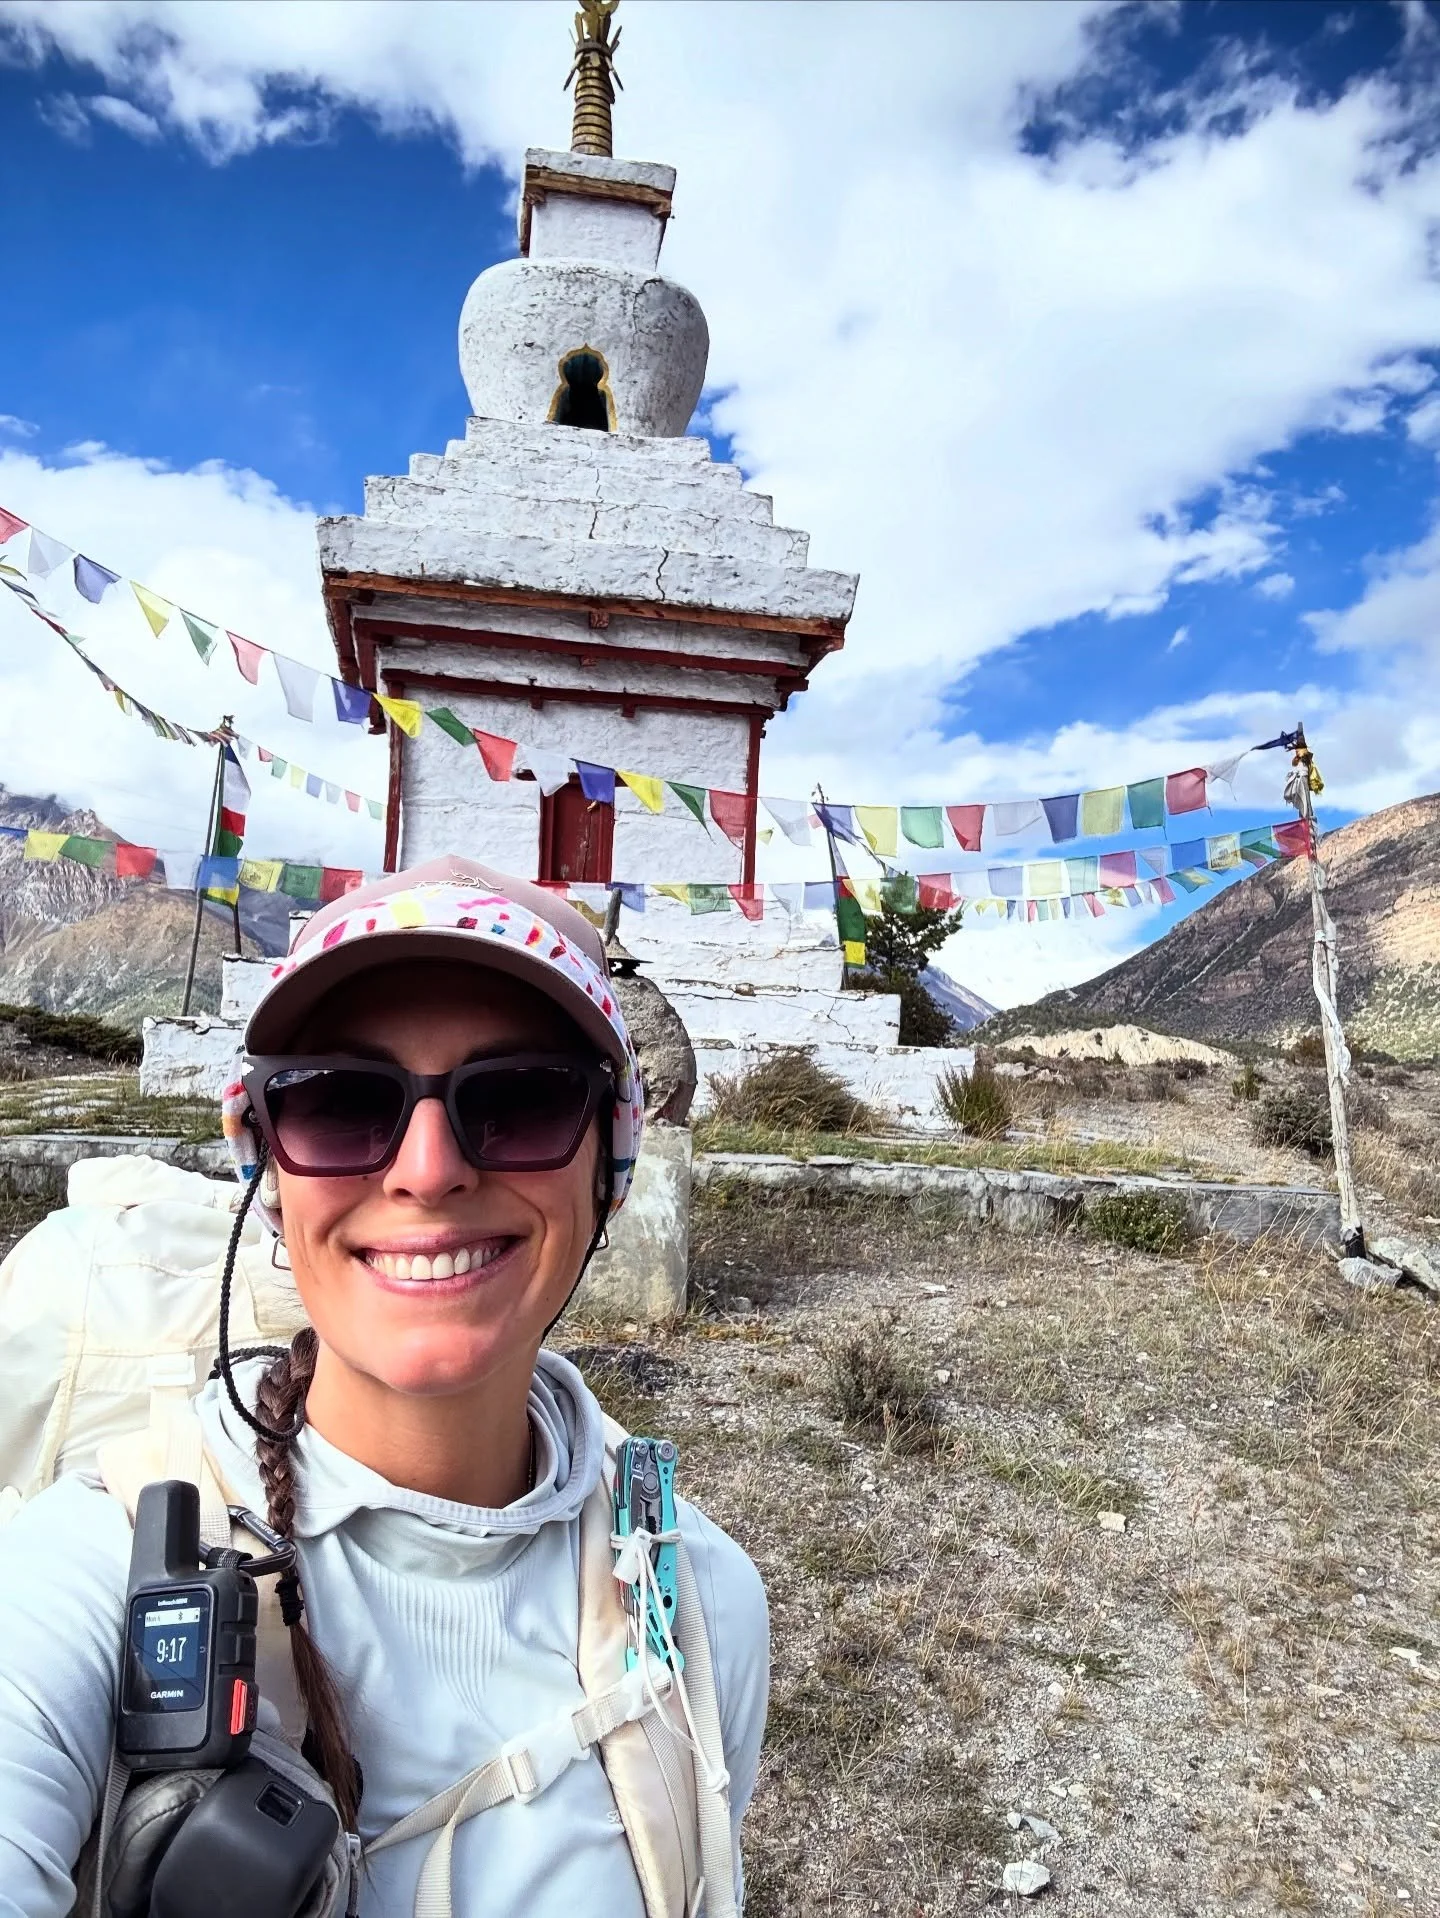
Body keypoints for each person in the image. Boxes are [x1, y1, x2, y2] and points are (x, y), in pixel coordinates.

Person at [0, 857, 769, 1916]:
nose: (427, 1169)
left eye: (523, 1100)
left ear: (613, 1162)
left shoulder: (700, 1607)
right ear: (267, 1167)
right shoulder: (91, 1576)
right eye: (340, 1104)